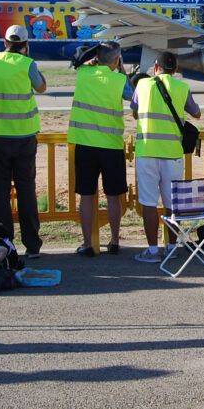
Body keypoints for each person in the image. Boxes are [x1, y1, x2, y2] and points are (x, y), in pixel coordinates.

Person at [0, 25, 46, 258]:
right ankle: (32, 245)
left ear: (5, 42)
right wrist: (30, 61)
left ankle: (3, 243)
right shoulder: (26, 64)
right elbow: (42, 87)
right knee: (26, 189)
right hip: (24, 136)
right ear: (26, 45)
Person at [131, 51, 200, 263]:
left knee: (149, 203)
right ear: (176, 69)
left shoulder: (142, 86)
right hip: (172, 154)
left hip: (147, 152)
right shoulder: (182, 87)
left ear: (155, 68)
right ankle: (171, 246)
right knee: (172, 204)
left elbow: (134, 110)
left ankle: (152, 251)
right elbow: (196, 113)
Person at [68, 41, 132, 256]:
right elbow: (132, 97)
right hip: (111, 146)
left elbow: (79, 59)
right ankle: (114, 241)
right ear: (117, 59)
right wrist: (120, 70)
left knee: (86, 196)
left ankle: (87, 244)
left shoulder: (83, 73)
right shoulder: (120, 80)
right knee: (113, 196)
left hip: (85, 143)